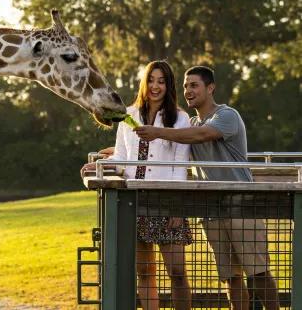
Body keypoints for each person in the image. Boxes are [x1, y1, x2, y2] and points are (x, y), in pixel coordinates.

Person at [134, 65, 280, 310]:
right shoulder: (188, 123)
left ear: (210, 88)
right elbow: (161, 149)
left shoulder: (226, 116)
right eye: (185, 86)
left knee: (258, 272)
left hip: (241, 207)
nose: (188, 91)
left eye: (194, 85)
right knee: (231, 277)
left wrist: (156, 132)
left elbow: (200, 135)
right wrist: (111, 155)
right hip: (212, 211)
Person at [81, 60, 192, 310]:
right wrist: (102, 165)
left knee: (177, 272)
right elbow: (122, 156)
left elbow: (180, 164)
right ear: (144, 82)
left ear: (169, 86)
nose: (155, 86)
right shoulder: (128, 115)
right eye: (151, 80)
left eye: (161, 81)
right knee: (145, 272)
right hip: (135, 201)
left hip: (166, 202)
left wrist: (177, 206)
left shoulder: (180, 119)